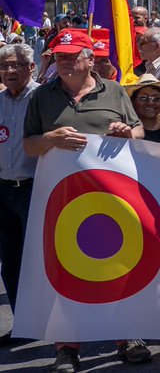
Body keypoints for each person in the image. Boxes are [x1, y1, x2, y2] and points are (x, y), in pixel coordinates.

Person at [22, 29, 151, 372]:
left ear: (90, 59)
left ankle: (127, 336)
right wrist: (49, 138)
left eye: (71, 56)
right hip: (62, 200)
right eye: (59, 56)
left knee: (119, 263)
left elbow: (139, 131)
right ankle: (67, 347)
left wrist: (128, 132)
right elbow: (28, 145)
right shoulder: (42, 96)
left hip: (112, 197)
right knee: (66, 268)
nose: (63, 62)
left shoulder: (115, 91)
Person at [0, 44, 38, 344]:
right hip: (3, 192)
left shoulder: (44, 99)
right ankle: (24, 324)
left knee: (40, 259)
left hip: (35, 189)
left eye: (16, 65)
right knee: (10, 261)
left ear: (31, 68)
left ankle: (60, 326)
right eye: (4, 67)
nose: (10, 71)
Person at [124, 74, 160, 144]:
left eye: (157, 99)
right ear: (133, 101)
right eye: (143, 98)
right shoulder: (125, 129)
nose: (150, 103)